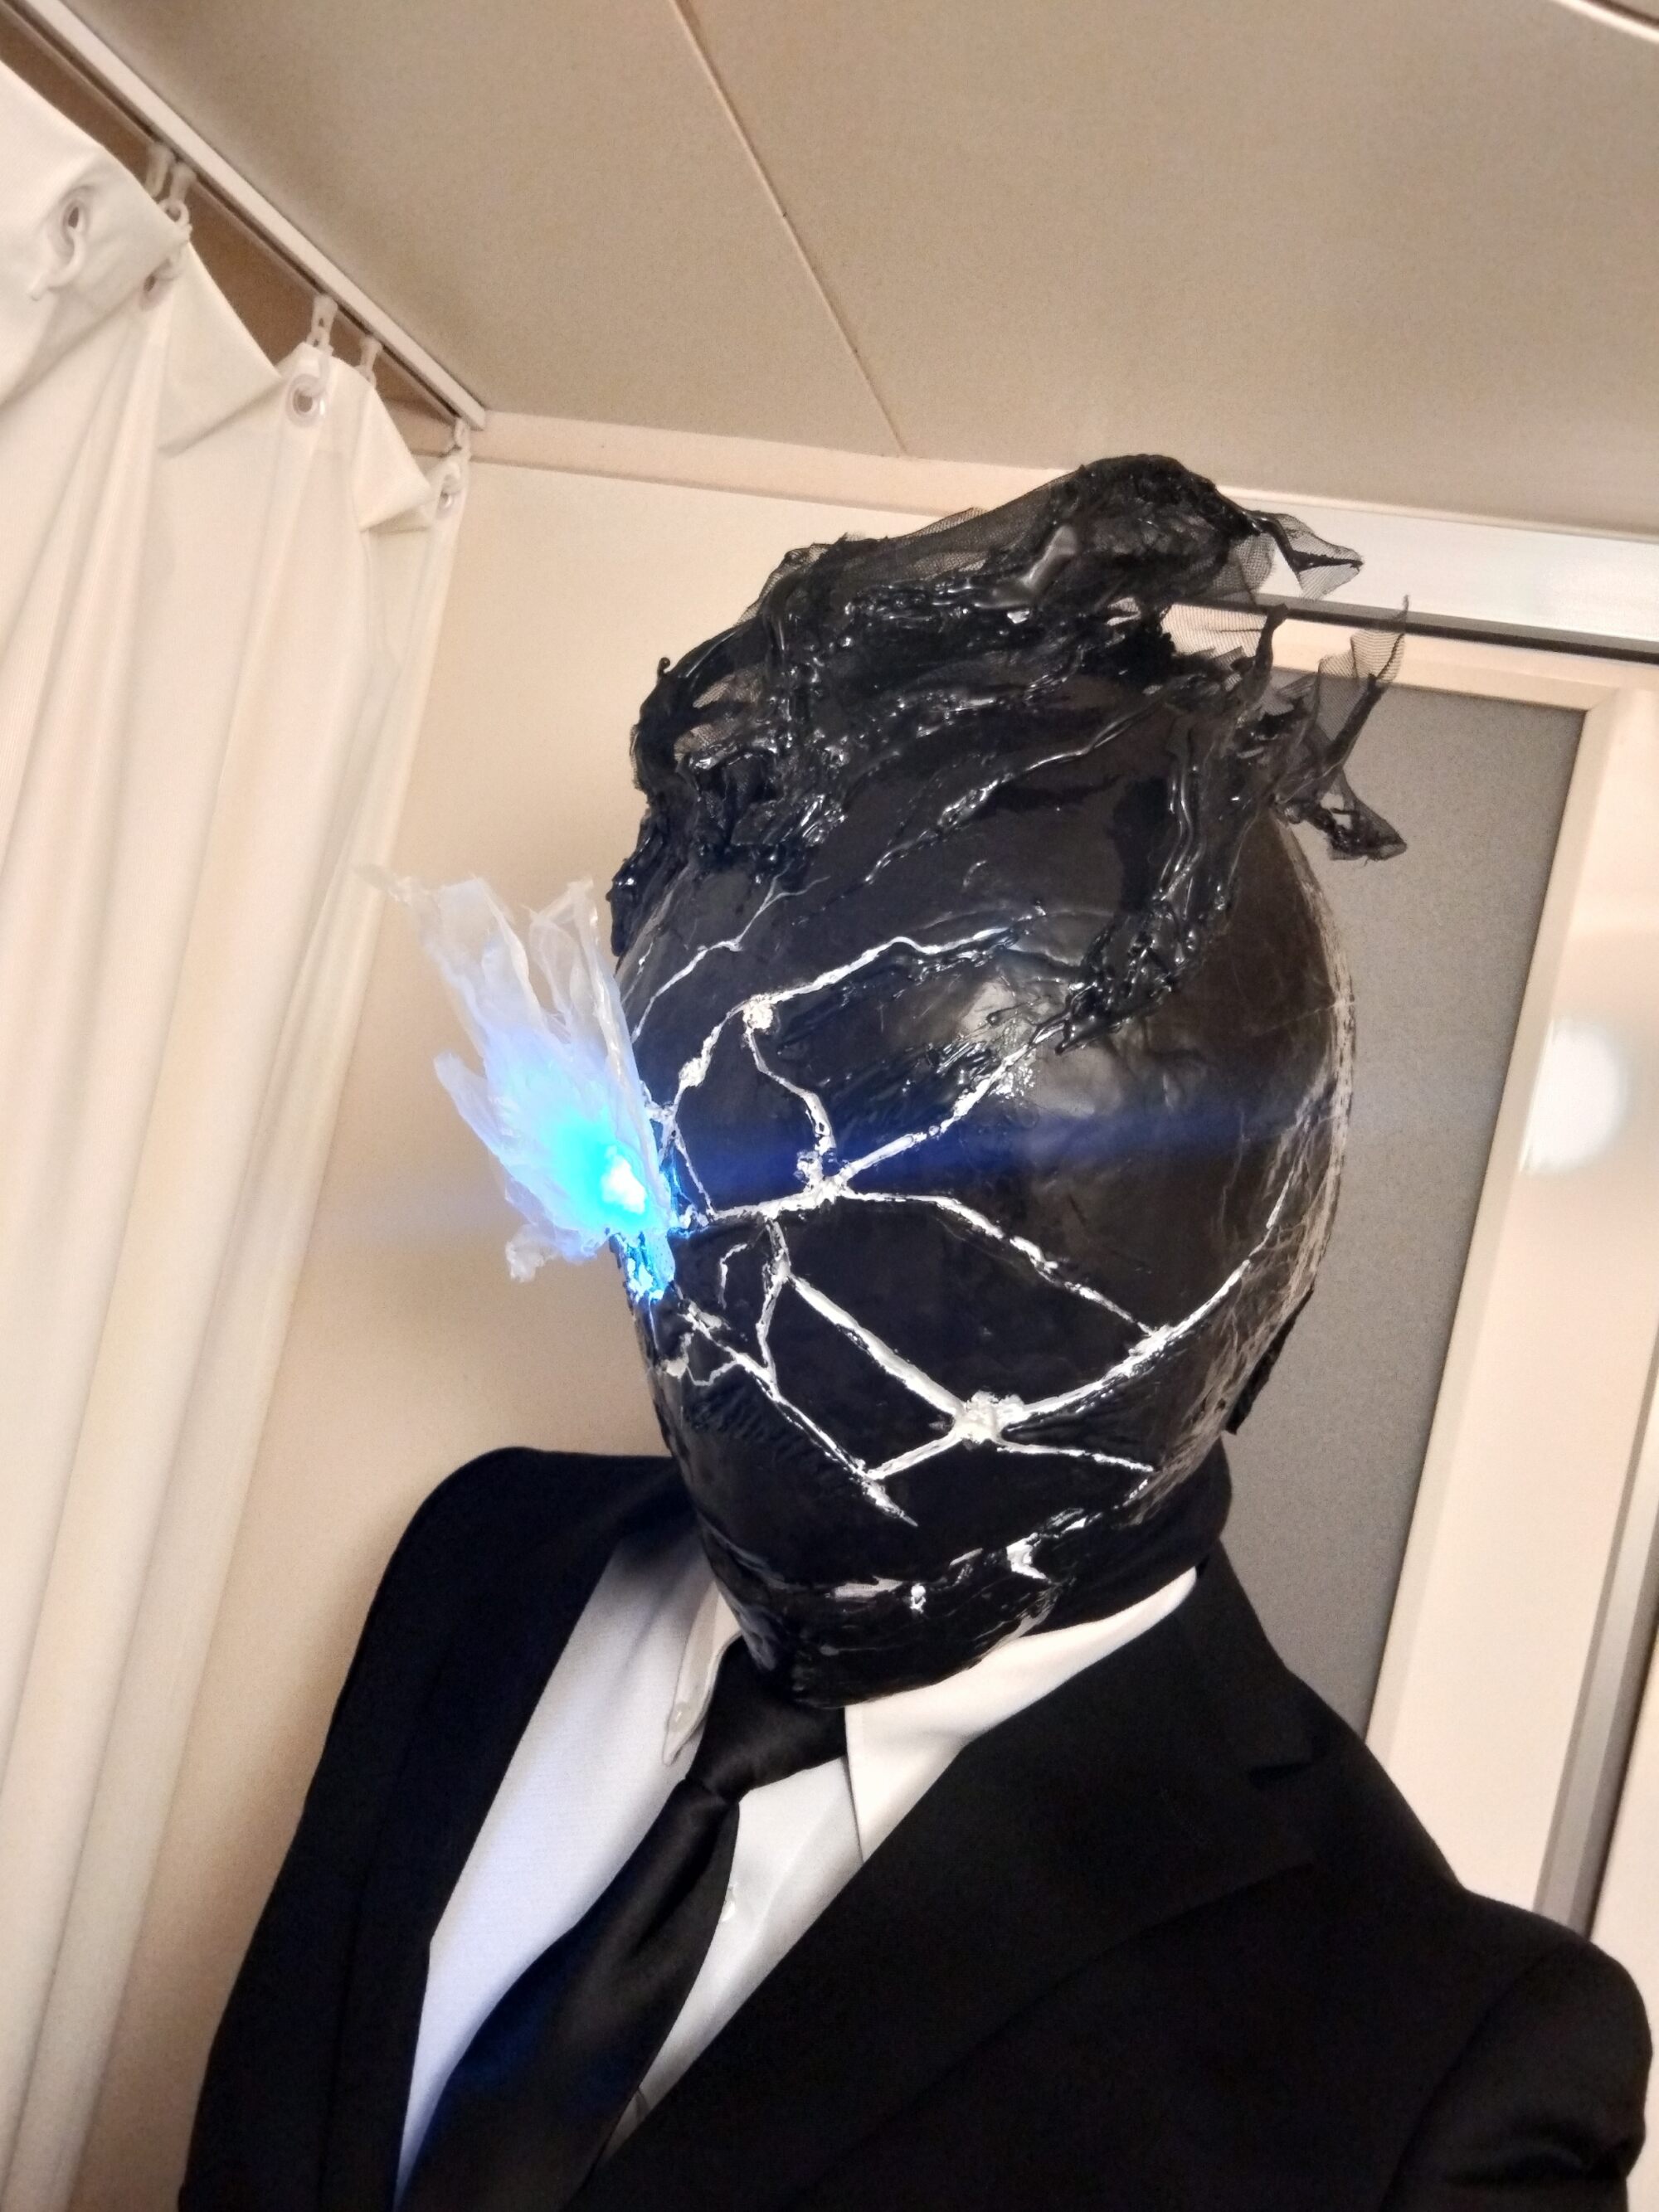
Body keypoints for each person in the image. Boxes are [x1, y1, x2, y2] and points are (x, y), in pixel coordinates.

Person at [182, 459, 1648, 2211]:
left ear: (1255, 1328)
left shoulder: (1427, 2069)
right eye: (708, 1188)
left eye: (978, 1260)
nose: (770, 1347)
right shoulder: (488, 1560)